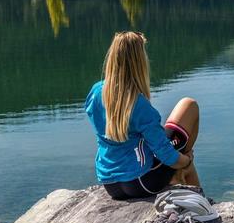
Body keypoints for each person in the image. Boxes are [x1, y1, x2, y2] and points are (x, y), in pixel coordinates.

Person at [84, 31, 201, 199]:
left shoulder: (95, 92)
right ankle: (202, 209)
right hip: (141, 181)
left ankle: (179, 180)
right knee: (189, 105)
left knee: (173, 153)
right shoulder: (138, 105)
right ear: (139, 62)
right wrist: (186, 160)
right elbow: (167, 156)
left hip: (110, 184)